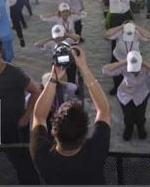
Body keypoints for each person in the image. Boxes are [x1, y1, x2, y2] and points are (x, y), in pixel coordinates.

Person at [30, 46, 111, 184]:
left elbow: (39, 115)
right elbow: (103, 109)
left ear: (54, 131)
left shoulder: (42, 156)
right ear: (85, 132)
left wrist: (53, 79)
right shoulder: (95, 152)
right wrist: (84, 68)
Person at [0, 37, 41, 143]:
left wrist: (26, 117)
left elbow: (36, 91)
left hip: (16, 126)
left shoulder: (15, 73)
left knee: (20, 156)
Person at [102, 51, 150, 140]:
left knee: (140, 115)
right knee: (128, 116)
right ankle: (128, 128)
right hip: (125, 96)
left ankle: (140, 127)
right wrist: (122, 62)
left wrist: (145, 64)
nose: (134, 72)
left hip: (141, 95)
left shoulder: (145, 69)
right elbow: (105, 70)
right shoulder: (124, 67)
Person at [104, 21, 150, 95]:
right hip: (119, 57)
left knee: (133, 76)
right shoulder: (119, 32)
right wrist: (121, 27)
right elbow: (107, 34)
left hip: (133, 59)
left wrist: (136, 26)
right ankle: (116, 87)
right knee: (117, 76)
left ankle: (133, 88)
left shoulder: (137, 33)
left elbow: (148, 36)